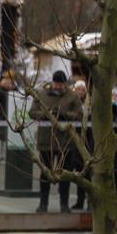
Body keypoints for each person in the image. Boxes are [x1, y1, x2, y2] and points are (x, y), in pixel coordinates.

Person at [30, 70, 83, 213]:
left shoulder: (72, 96)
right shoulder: (41, 94)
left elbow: (80, 114)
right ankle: (43, 204)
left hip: (65, 141)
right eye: (57, 83)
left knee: (65, 174)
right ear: (52, 82)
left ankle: (64, 205)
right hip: (46, 141)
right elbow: (32, 112)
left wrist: (64, 115)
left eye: (61, 84)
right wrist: (46, 115)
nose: (59, 87)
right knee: (45, 173)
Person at [70, 80, 93, 210]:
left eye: (82, 89)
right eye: (77, 89)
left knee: (90, 175)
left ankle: (90, 202)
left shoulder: (90, 103)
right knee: (79, 173)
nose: (80, 92)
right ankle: (80, 200)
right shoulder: (73, 102)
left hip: (90, 141)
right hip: (76, 141)